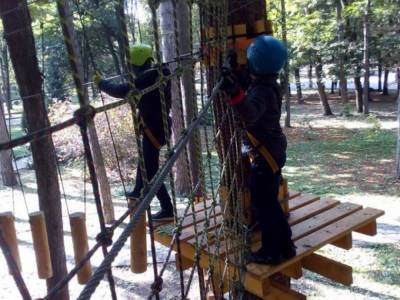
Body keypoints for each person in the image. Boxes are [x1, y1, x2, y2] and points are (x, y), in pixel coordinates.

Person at [220, 35, 296, 265]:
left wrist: (233, 92)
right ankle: (286, 245)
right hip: (270, 151)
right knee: (270, 202)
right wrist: (233, 73)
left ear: (255, 63)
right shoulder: (266, 83)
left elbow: (250, 113)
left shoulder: (263, 90)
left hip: (266, 156)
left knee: (263, 205)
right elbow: (249, 90)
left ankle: (271, 251)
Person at [94, 44, 174, 221]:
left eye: (132, 66)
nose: (131, 69)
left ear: (137, 65)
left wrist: (101, 83)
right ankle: (140, 189)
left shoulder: (146, 78)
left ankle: (167, 208)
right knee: (147, 164)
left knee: (151, 171)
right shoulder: (159, 73)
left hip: (154, 129)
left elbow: (120, 90)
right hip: (158, 128)